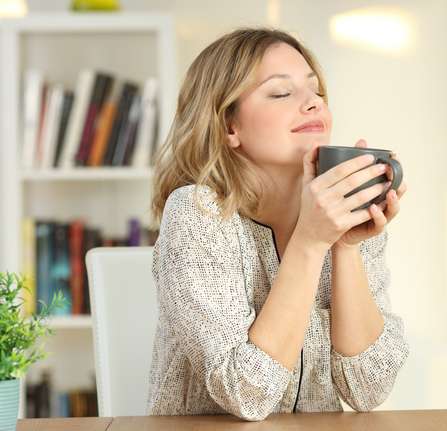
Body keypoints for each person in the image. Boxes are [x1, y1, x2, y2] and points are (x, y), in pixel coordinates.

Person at [147, 27, 409, 422]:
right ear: (228, 127)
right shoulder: (197, 214)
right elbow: (245, 395)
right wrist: (309, 242)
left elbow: (368, 389)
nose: (313, 105)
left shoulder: (343, 212)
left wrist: (345, 244)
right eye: (282, 93)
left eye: (317, 91)